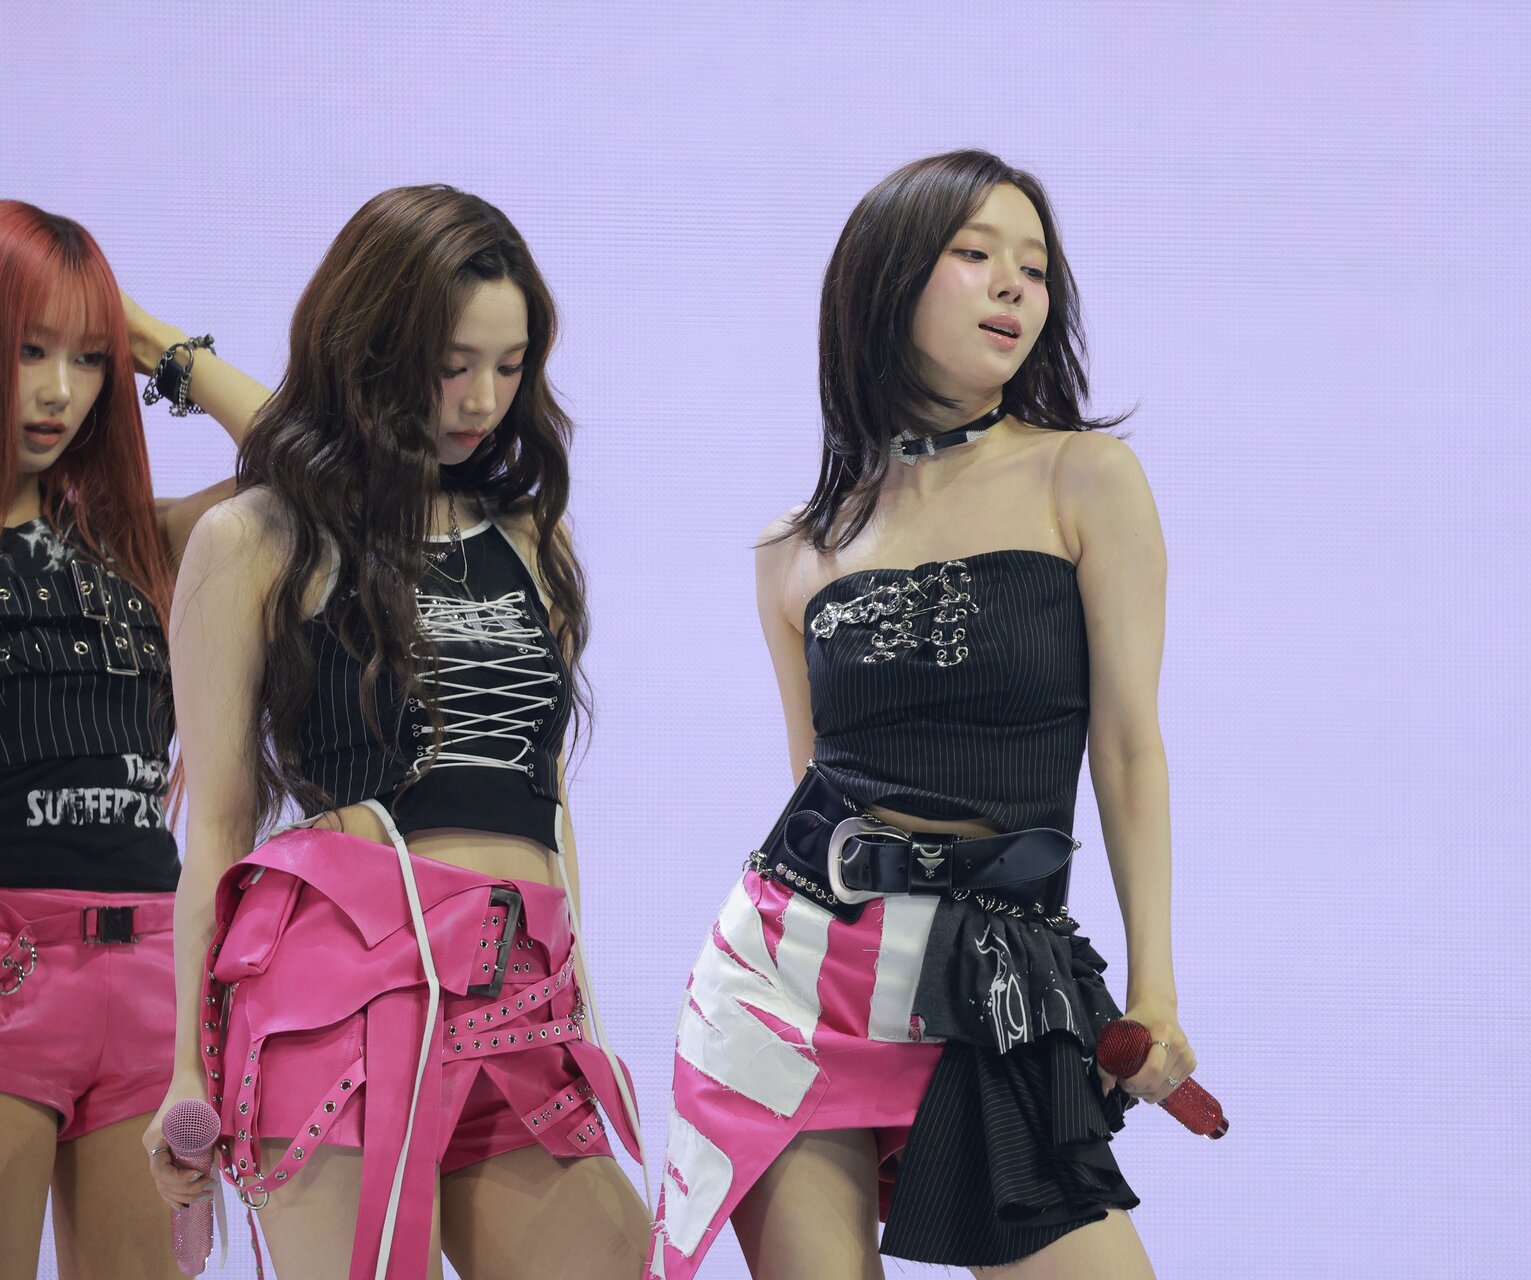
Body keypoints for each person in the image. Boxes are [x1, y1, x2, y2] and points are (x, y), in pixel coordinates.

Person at [653, 150, 1195, 1279]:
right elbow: (812, 778)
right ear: (889, 280)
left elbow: (1128, 748)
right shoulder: (794, 547)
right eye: (975, 253)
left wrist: (1155, 984)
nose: (1013, 286)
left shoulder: (1085, 479)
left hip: (990, 982)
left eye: (1034, 267)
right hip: (791, 981)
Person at [145, 185, 650, 1280]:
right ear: (373, 350)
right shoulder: (256, 536)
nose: (483, 399)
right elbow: (218, 825)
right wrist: (187, 1064)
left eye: (509, 365)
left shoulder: (532, 538)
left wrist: (577, 999)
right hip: (338, 1004)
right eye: (452, 364)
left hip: (521, 1003)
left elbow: (550, 795)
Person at [0, 199, 266, 1280]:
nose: (59, 391)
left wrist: (151, 337)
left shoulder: (137, 541)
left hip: (154, 975)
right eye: (30, 349)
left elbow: (314, 465)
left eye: (87, 358)